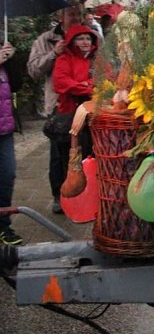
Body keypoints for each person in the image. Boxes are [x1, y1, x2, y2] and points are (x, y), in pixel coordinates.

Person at [28, 5, 82, 214]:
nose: (75, 18)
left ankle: (84, 195)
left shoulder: (90, 36)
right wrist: (54, 53)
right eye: (71, 14)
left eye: (79, 14)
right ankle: (59, 195)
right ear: (60, 17)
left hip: (86, 104)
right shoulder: (46, 40)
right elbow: (33, 70)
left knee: (85, 151)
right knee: (60, 155)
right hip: (59, 105)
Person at [50, 25, 98, 214]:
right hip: (69, 116)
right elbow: (61, 83)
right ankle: (61, 196)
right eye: (80, 39)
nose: (85, 42)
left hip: (92, 117)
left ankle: (86, 197)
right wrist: (86, 87)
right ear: (72, 41)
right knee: (66, 159)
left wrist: (83, 85)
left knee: (89, 157)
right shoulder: (65, 59)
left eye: (88, 38)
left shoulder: (97, 60)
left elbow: (106, 79)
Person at [0, 40, 23, 245]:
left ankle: (3, 226)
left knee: (7, 175)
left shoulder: (3, 55)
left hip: (4, 129)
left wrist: (11, 60)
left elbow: (16, 84)